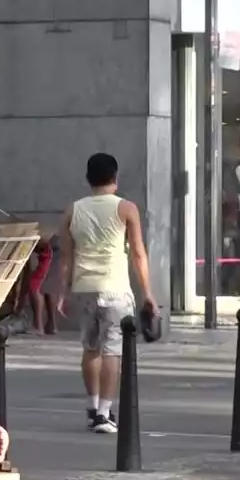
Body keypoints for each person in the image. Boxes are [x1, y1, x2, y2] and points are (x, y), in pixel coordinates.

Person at [56, 153, 158, 434]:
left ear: (88, 178)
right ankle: (104, 412)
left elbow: (66, 257)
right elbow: (138, 253)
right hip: (115, 288)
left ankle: (92, 407)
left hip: (84, 287)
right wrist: (148, 292)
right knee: (113, 351)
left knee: (90, 349)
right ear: (115, 177)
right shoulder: (126, 208)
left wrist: (62, 292)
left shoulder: (72, 210)